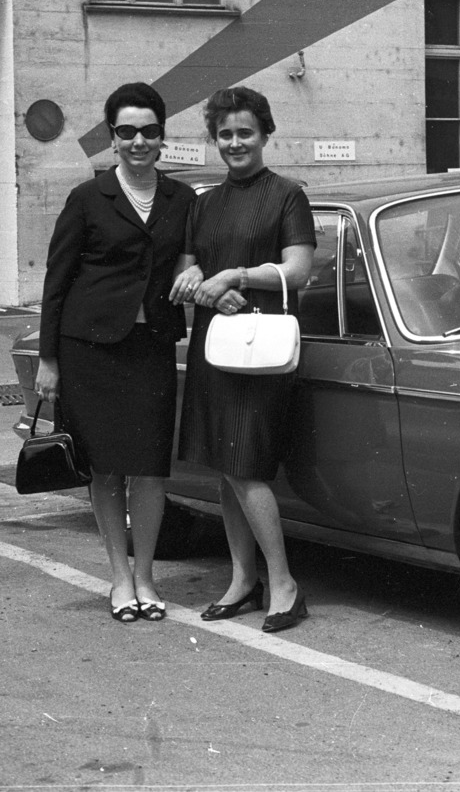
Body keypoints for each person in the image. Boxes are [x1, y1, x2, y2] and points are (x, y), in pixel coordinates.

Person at [36, 82, 195, 624]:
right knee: (104, 469)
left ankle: (146, 577)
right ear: (112, 137)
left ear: (162, 136)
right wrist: (48, 360)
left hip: (151, 349)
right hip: (90, 352)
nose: (138, 141)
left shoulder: (182, 200)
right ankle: (120, 579)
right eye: (127, 131)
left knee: (149, 469)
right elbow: (57, 281)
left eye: (149, 131)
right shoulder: (88, 198)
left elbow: (190, 258)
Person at [169, 86, 315, 633]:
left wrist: (237, 277)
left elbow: (298, 271)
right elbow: (186, 271)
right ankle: (242, 580)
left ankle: (285, 585)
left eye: (245, 133)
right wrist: (197, 283)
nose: (234, 143)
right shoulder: (204, 203)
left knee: (246, 465)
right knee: (225, 465)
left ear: (265, 134)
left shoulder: (287, 195)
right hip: (216, 341)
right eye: (225, 134)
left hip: (261, 348)